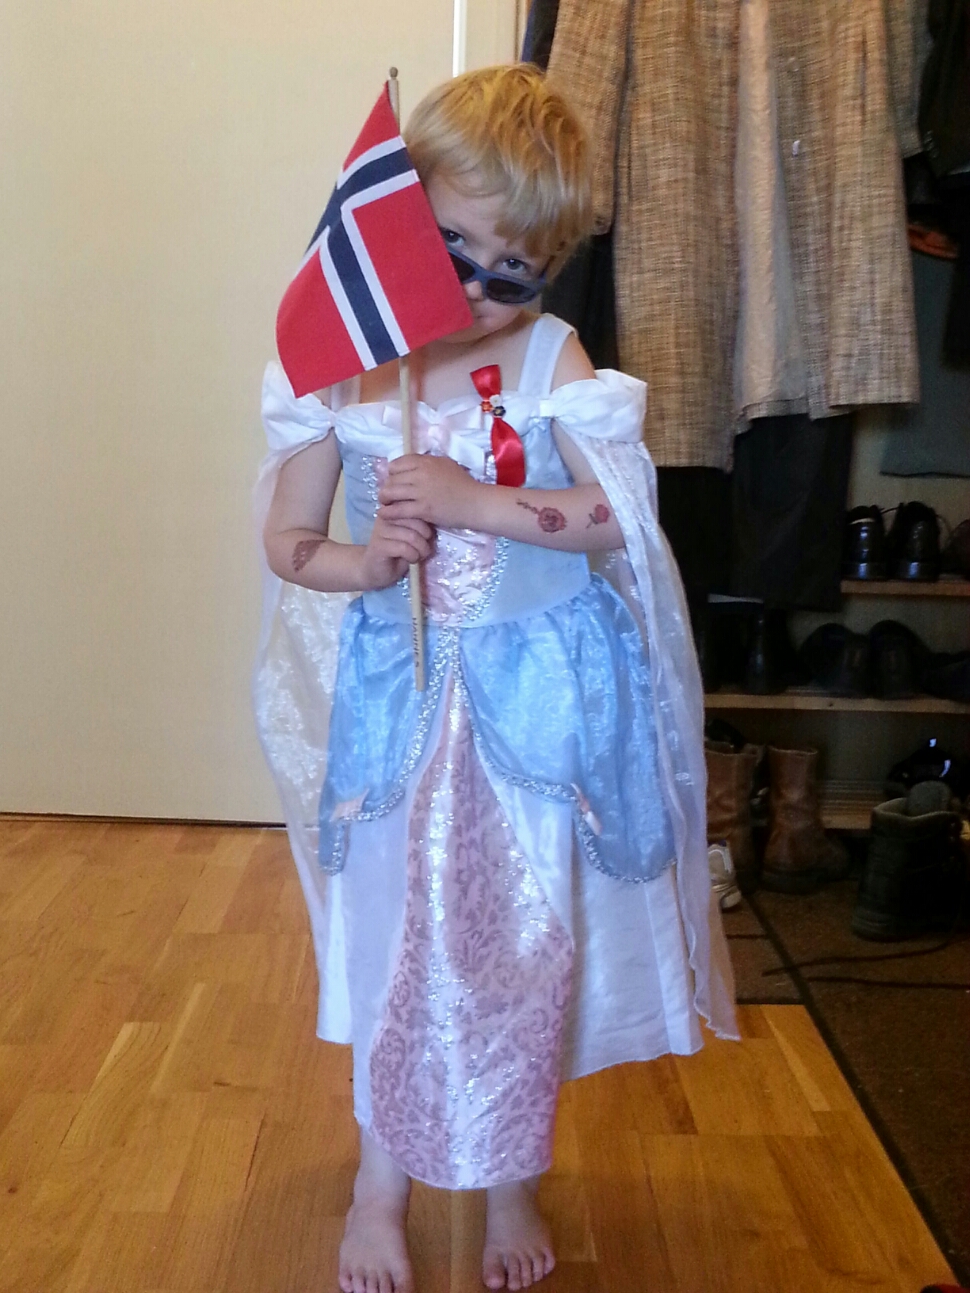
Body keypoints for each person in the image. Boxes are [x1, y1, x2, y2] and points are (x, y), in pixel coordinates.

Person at [255, 63, 737, 1293]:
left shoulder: (552, 360)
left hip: (542, 703)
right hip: (405, 707)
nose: (472, 291)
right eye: (447, 247)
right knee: (396, 936)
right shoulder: (351, 365)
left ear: (550, 270)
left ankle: (512, 1168)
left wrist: (477, 501)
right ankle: (379, 1184)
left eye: (509, 271)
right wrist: (366, 563)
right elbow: (288, 543)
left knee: (526, 938)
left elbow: (617, 516)